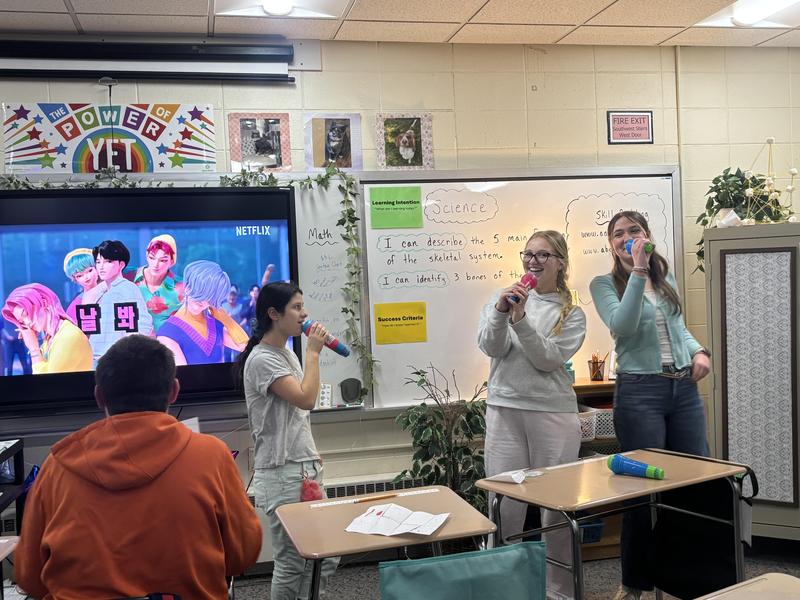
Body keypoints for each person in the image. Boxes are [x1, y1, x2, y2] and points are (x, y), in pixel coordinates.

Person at [14, 334, 262, 599]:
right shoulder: (211, 455)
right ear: (174, 391)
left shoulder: (58, 467)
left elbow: (30, 577)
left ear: (99, 397)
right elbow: (242, 554)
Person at [589, 211, 711, 600]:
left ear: (647, 234)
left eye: (634, 231)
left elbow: (678, 327)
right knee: (641, 492)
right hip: (639, 392)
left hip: (682, 389)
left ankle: (689, 576)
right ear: (611, 244)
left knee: (695, 484)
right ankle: (634, 583)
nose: (627, 238)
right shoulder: (604, 283)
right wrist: (638, 271)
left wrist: (699, 351)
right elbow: (622, 326)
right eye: (618, 234)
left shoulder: (665, 275)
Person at [478, 230, 586, 600]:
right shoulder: (502, 298)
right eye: (529, 254)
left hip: (552, 415)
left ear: (560, 262)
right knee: (504, 501)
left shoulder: (572, 312)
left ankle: (559, 591)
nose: (533, 262)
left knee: (555, 508)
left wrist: (521, 319)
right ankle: (502, 586)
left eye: (543, 255)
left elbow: (546, 361)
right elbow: (490, 346)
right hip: (505, 409)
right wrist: (501, 312)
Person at [236, 281, 339, 600]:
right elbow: (306, 399)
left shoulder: (286, 355)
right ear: (273, 314)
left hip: (302, 467)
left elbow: (298, 417)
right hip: (282, 473)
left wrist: (311, 454)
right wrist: (312, 352)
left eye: (302, 306)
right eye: (296, 307)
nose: (304, 314)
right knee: (292, 560)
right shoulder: (262, 359)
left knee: (325, 554)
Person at [157, 260, 248, 366]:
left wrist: (222, 315)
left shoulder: (214, 324)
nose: (203, 301)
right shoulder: (168, 332)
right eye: (200, 293)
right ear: (187, 287)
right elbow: (183, 377)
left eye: (210, 296)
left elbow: (245, 347)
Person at [85, 240, 154, 362]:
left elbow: (142, 326)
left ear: (121, 265)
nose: (101, 266)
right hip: (94, 359)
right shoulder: (98, 292)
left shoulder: (127, 288)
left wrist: (127, 356)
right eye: (98, 262)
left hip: (116, 361)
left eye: (108, 262)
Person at [1, 283, 92, 374]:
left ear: (44, 303)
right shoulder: (50, 338)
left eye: (25, 314)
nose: (27, 322)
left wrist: (34, 349)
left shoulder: (68, 336)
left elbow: (47, 383)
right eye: (22, 321)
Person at [131, 234, 185, 332]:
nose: (156, 265)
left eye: (163, 260)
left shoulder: (183, 287)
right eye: (152, 258)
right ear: (147, 256)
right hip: (130, 343)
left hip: (167, 344)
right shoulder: (129, 276)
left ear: (172, 261)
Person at [62, 247, 101, 325]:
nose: (86, 277)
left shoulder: (113, 292)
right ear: (75, 279)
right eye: (80, 276)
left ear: (97, 269)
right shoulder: (76, 305)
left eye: (90, 271)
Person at [240, 264, 275, 334]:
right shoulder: (246, 303)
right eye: (253, 290)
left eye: (257, 291)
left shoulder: (262, 301)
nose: (255, 292)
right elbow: (243, 315)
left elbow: (264, 284)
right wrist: (251, 305)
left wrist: (268, 271)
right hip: (249, 330)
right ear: (250, 292)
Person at [221, 284, 244, 362]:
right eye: (230, 294)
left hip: (239, 337)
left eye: (234, 294)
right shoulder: (221, 307)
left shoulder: (241, 307)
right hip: (225, 335)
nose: (232, 297)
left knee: (238, 358)